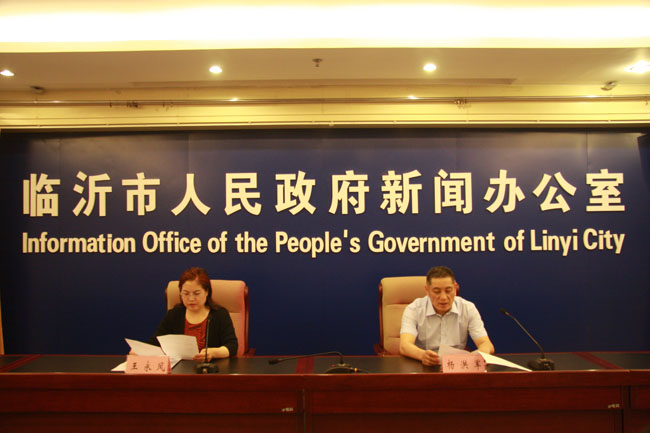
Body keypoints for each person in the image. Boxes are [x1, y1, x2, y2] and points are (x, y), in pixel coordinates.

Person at [399, 266, 494, 366]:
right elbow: (404, 346)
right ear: (427, 290)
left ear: (455, 288)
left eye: (448, 290)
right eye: (437, 292)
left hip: (457, 367)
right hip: (424, 365)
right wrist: (422, 355)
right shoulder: (414, 309)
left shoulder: (467, 308)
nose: (443, 297)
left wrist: (482, 353)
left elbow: (486, 344)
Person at [148, 267, 238, 360]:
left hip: (210, 367)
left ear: (207, 292)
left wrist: (213, 353)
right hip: (180, 367)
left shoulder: (219, 315)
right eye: (186, 293)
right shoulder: (174, 314)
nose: (191, 299)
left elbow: (232, 346)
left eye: (196, 293)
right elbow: (155, 342)